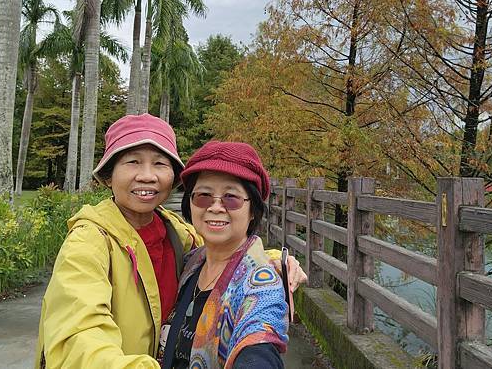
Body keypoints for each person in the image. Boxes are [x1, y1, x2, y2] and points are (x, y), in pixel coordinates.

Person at [34, 114, 304, 369]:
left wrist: (269, 261)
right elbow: (79, 336)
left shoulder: (177, 234)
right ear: (108, 175)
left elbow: (227, 253)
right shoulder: (88, 244)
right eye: (132, 162)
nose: (147, 175)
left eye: (160, 164)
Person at [158, 141, 289, 369]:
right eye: (203, 196)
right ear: (190, 204)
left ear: (252, 211)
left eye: (231, 197)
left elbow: (260, 338)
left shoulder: (260, 284)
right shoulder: (190, 263)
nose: (216, 207)